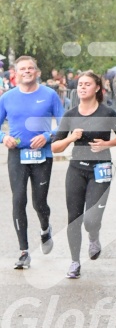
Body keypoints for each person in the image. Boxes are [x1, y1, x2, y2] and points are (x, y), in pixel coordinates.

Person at [51, 71, 116, 279]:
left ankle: (94, 235)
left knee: (92, 219)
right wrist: (71, 139)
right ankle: (75, 262)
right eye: (80, 84)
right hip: (76, 169)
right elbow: (55, 147)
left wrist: (107, 143)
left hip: (100, 170)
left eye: (87, 84)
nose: (82, 87)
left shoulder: (108, 113)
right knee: (74, 218)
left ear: (97, 88)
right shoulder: (70, 115)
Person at [0, 56, 64, 268]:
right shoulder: (7, 97)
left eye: (30, 68)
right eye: (22, 69)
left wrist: (47, 136)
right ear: (16, 73)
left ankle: (45, 228)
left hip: (42, 156)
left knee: (39, 202)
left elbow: (65, 124)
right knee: (18, 200)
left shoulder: (49, 95)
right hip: (17, 155)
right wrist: (3, 137)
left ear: (37, 72)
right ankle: (24, 252)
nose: (26, 71)